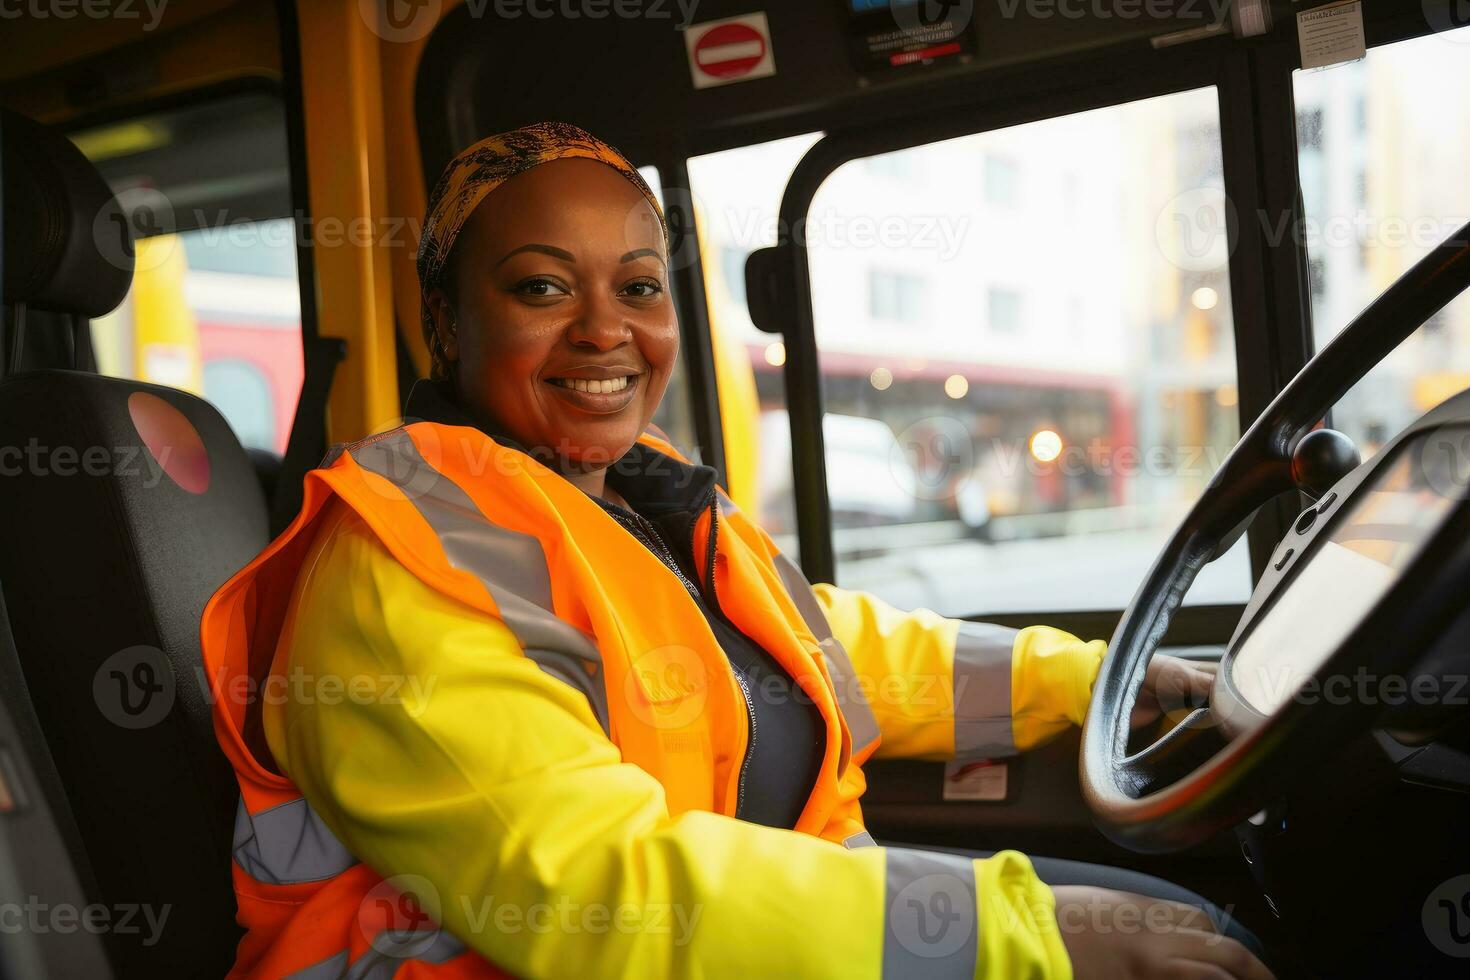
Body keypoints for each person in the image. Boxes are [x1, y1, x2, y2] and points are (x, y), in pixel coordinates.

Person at [201, 122, 1272, 979]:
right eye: (540, 286)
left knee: (1188, 923)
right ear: (443, 319)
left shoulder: (636, 497)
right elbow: (598, 891)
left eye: (637, 284)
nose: (604, 328)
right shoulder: (396, 567)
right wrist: (1014, 932)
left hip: (747, 923)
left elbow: (832, 648)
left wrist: (1096, 683)